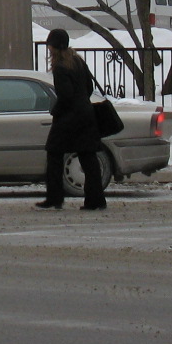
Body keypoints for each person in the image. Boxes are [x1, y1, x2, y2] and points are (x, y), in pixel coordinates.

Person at [36, 28, 106, 211]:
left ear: (54, 46)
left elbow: (65, 96)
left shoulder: (60, 67)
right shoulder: (78, 61)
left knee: (54, 154)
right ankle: (96, 200)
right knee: (88, 157)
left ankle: (54, 197)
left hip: (68, 118)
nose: (48, 48)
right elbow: (89, 87)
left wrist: (56, 111)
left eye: (50, 45)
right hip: (86, 114)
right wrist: (81, 102)